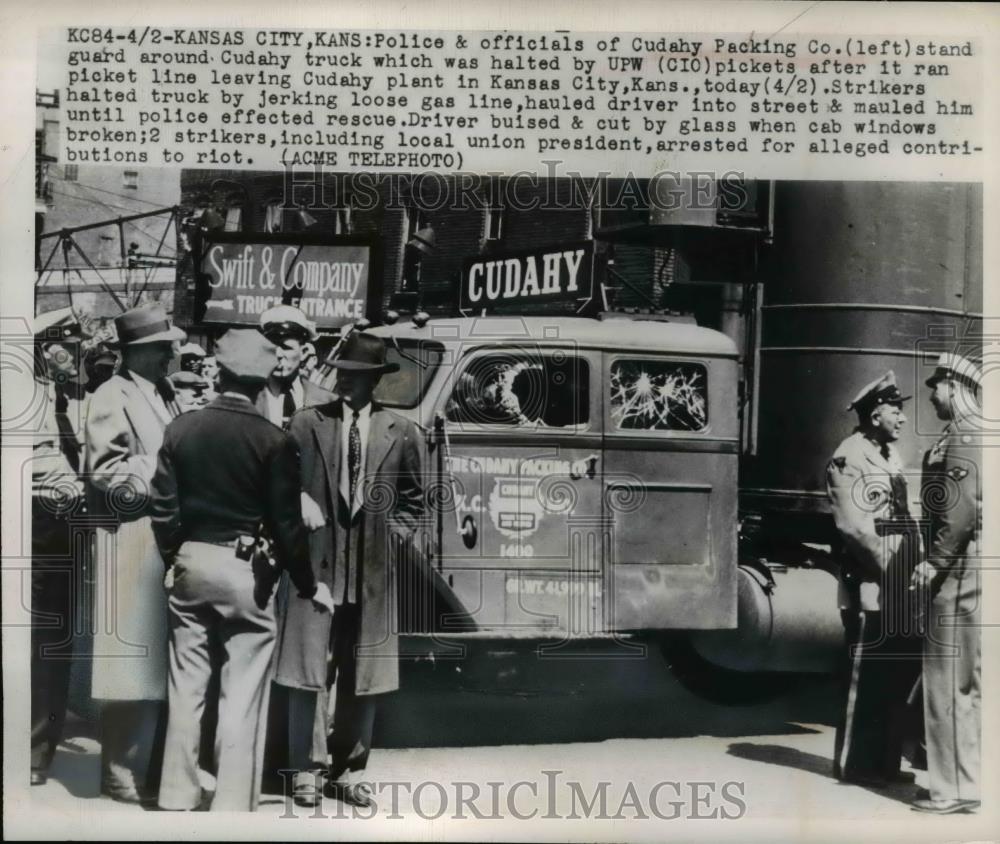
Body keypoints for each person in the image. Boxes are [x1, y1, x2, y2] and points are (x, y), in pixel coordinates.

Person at [150, 329, 334, 811]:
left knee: (186, 686)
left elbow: (163, 509)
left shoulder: (181, 427)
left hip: (190, 563)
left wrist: (174, 557)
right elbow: (287, 524)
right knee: (242, 691)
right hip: (246, 570)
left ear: (221, 372)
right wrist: (308, 585)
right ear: (262, 380)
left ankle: (175, 794)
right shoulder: (274, 440)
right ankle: (231, 801)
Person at [273, 331, 424, 808]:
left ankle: (351, 770)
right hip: (316, 569)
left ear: (375, 381)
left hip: (371, 573)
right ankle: (306, 771)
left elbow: (415, 503)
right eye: (342, 374)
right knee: (309, 667)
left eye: (356, 377)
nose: (344, 383)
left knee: (365, 673)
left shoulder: (401, 432)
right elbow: (281, 491)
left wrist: (390, 538)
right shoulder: (304, 424)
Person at [83, 304, 185, 803]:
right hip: (129, 538)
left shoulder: (162, 392)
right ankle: (120, 770)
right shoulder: (111, 395)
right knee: (129, 657)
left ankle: (143, 765)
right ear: (141, 350)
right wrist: (164, 472)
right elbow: (103, 472)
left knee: (153, 658)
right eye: (165, 344)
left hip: (158, 537)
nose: (173, 351)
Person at [826, 371, 922, 787]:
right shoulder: (849, 457)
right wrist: (896, 571)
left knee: (894, 677)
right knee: (865, 679)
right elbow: (854, 527)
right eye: (895, 410)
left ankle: (885, 764)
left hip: (898, 584)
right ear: (873, 413)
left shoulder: (885, 455)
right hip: (873, 584)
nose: (901, 418)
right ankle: (855, 766)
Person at [910, 353, 982, 814]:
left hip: (955, 568)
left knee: (944, 680)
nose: (931, 393)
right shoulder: (968, 433)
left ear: (954, 386)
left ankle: (949, 790)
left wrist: (934, 562)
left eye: (937, 385)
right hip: (965, 564)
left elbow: (960, 510)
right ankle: (967, 783)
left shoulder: (964, 435)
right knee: (962, 681)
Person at [30, 311, 86, 786]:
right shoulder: (26, 394)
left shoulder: (60, 396)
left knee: (56, 634)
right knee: (41, 636)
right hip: (38, 522)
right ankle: (33, 747)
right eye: (65, 344)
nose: (72, 353)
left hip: (62, 526)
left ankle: (44, 738)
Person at [257, 306, 334, 429]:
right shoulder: (249, 398)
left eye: (286, 347)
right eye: (272, 347)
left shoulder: (326, 401)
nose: (278, 354)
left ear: (303, 352)